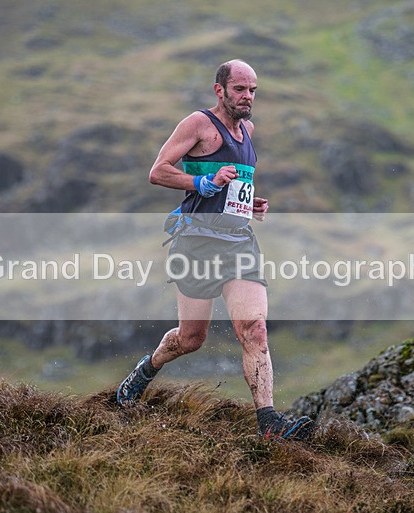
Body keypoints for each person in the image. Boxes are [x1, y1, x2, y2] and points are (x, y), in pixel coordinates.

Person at [116, 59, 314, 441]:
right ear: (219, 90)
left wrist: (247, 204)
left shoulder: (248, 131)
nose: (247, 96)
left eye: (253, 90)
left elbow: (233, 187)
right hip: (196, 244)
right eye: (240, 89)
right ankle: (146, 370)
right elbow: (158, 171)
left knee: (255, 329)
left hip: (238, 242)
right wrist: (203, 182)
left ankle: (269, 424)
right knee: (190, 339)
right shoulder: (198, 124)